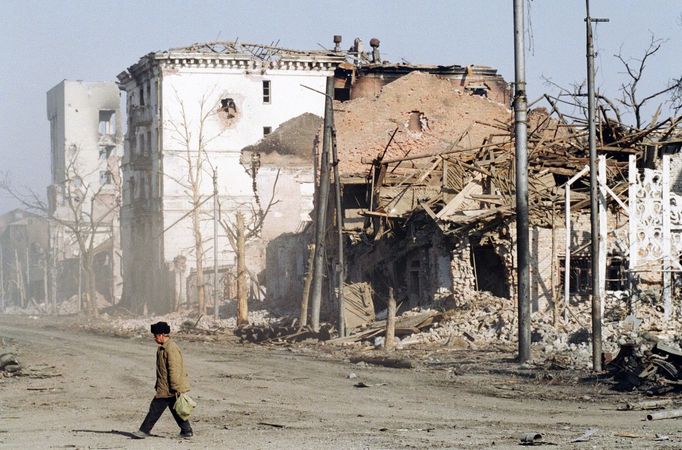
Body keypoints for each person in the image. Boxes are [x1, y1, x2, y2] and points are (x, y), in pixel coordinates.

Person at [132, 321, 193, 439]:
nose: (154, 338)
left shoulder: (171, 348)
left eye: (155, 336)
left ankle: (143, 431)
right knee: (176, 410)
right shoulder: (163, 348)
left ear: (161, 335)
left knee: (155, 409)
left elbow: (174, 368)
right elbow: (162, 371)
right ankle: (186, 431)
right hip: (166, 386)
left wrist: (175, 387)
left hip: (169, 388)